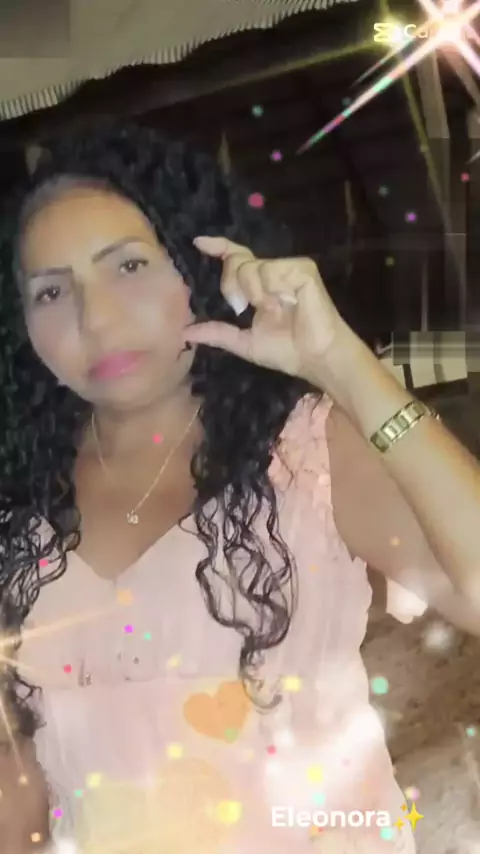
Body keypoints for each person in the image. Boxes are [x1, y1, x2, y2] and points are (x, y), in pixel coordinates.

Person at [0, 121, 480, 854]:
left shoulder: (305, 453)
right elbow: (22, 778)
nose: (96, 318)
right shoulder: (18, 512)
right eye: (52, 291)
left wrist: (344, 365)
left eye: (128, 265)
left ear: (203, 263)